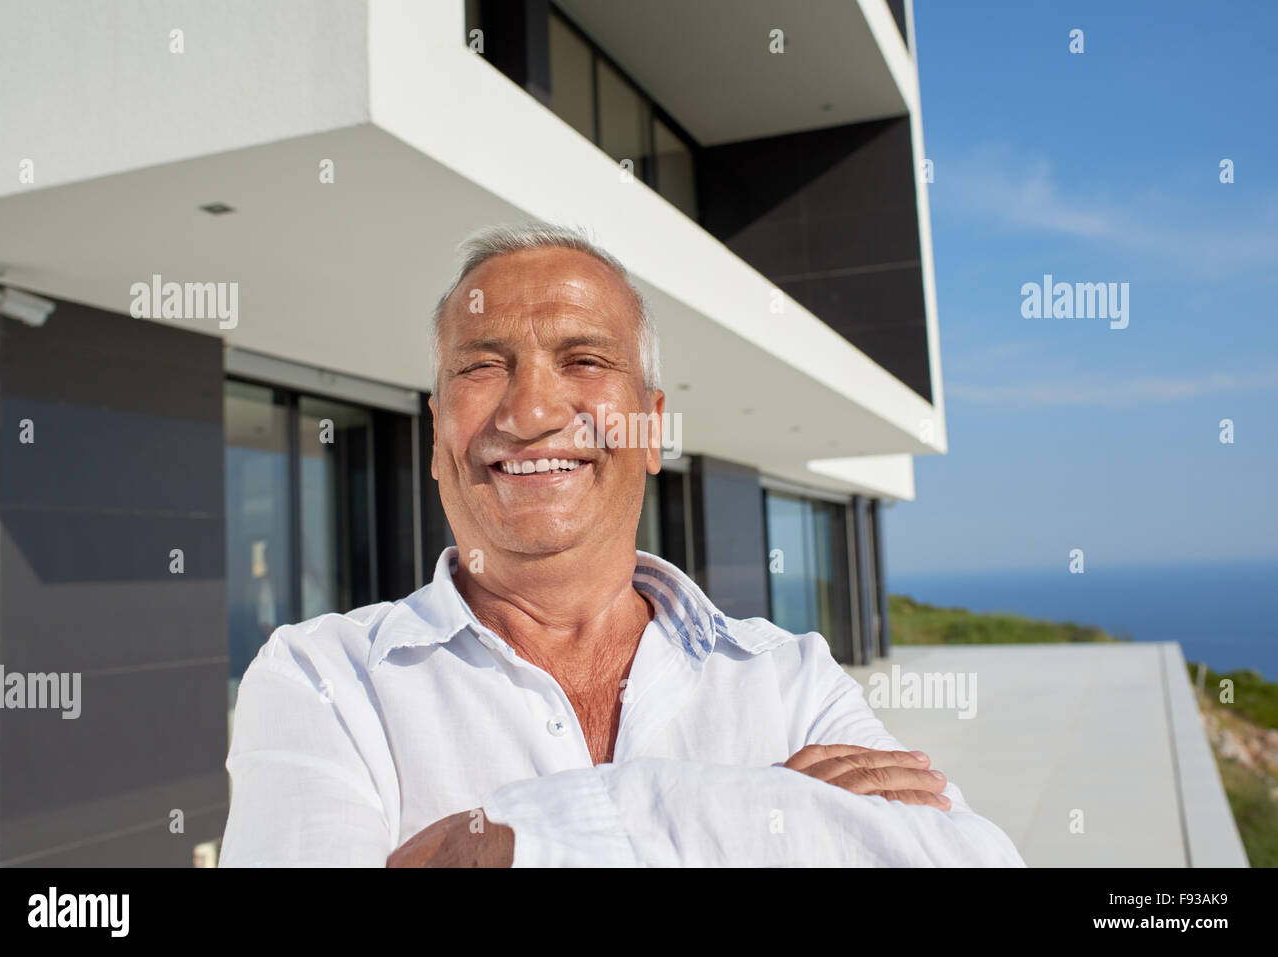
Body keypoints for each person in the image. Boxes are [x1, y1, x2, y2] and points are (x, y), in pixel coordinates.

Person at [219, 223, 1025, 867]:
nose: (531, 410)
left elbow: (970, 860)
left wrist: (519, 838)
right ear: (437, 439)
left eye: (585, 359)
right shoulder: (321, 680)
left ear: (651, 426)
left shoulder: (792, 680)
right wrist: (765, 815)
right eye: (483, 365)